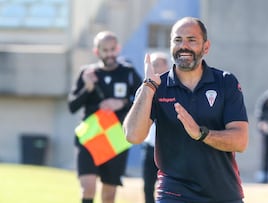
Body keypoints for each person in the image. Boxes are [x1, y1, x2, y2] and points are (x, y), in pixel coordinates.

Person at [124, 17, 249, 203]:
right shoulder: (157, 86)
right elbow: (133, 135)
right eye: (178, 40)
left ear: (206, 47)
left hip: (223, 194)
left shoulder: (225, 82)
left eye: (192, 40)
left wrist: (201, 134)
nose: (184, 46)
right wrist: (148, 87)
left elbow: (240, 141)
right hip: (173, 194)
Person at [68, 31, 142, 203]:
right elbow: (72, 107)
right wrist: (87, 87)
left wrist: (122, 103)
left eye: (112, 49)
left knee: (109, 195)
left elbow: (142, 100)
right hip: (90, 136)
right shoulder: (87, 73)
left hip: (115, 137)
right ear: (97, 52)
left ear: (118, 49)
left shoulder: (128, 72)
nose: (109, 54)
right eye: (105, 50)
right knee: (88, 188)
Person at [142, 52, 170, 203]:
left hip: (168, 149)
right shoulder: (145, 89)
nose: (156, 68)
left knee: (168, 187)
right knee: (147, 186)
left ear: (167, 65)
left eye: (159, 64)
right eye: (153, 65)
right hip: (150, 146)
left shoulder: (173, 88)